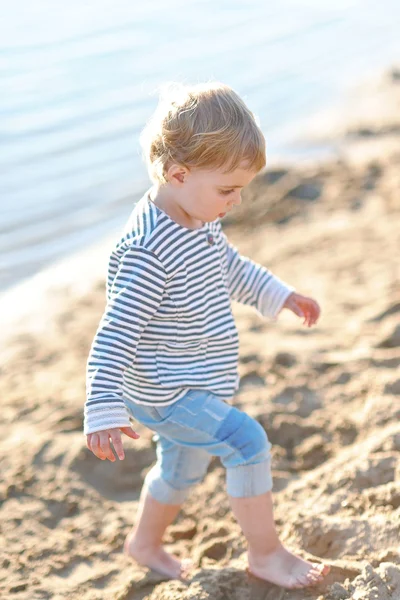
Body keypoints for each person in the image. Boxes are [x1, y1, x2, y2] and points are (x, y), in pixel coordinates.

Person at [84, 81, 330, 590]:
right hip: (169, 391)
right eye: (227, 190)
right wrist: (104, 405)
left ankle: (144, 544)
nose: (236, 202)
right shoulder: (149, 252)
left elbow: (231, 270)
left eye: (240, 189)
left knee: (180, 471)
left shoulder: (197, 217)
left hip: (194, 378)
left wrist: (280, 295)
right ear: (178, 173)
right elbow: (114, 335)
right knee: (247, 441)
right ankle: (266, 553)